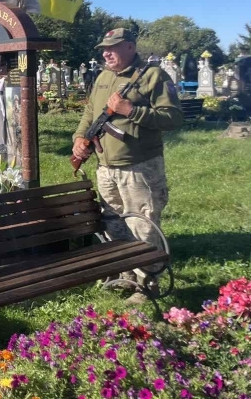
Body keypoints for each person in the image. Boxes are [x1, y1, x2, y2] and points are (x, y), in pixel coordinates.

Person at [72, 28, 183, 302]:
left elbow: (172, 118)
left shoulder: (153, 76)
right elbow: (90, 112)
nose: (106, 53)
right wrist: (79, 138)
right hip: (106, 167)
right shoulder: (103, 77)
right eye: (104, 48)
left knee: (142, 224)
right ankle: (126, 274)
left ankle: (149, 283)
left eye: (114, 47)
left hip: (139, 167)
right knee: (114, 223)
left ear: (131, 47)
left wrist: (130, 111)